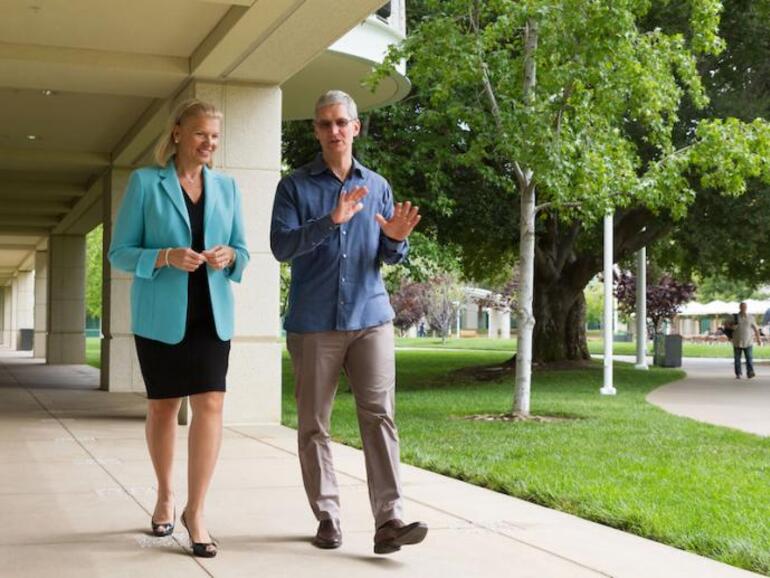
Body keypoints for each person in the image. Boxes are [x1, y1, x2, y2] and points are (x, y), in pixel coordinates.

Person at [270, 90, 427, 555]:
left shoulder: (378, 185)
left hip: (370, 317)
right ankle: (328, 515)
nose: (333, 131)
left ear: (356, 127)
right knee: (314, 424)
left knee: (379, 416)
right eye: (324, 124)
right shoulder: (294, 187)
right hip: (314, 321)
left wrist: (397, 240)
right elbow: (281, 247)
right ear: (316, 130)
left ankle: (389, 520)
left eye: (341, 122)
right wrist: (330, 221)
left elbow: (387, 254)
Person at [108, 99, 249, 558]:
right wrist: (164, 256)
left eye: (214, 136)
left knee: (210, 403)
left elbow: (244, 252)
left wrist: (230, 257)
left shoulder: (227, 187)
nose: (208, 143)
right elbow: (120, 252)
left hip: (212, 314)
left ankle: (197, 511)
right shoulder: (146, 183)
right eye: (200, 134)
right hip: (161, 316)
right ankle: (165, 494)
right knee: (164, 408)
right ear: (176, 133)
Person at [731, 302, 761, 379]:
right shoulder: (734, 317)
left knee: (749, 358)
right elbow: (727, 327)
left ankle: (750, 372)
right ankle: (738, 373)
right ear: (739, 307)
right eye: (742, 307)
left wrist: (758, 339)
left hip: (748, 341)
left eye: (745, 307)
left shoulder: (751, 317)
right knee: (737, 359)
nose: (743, 308)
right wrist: (732, 327)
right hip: (737, 340)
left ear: (746, 308)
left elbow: (756, 329)